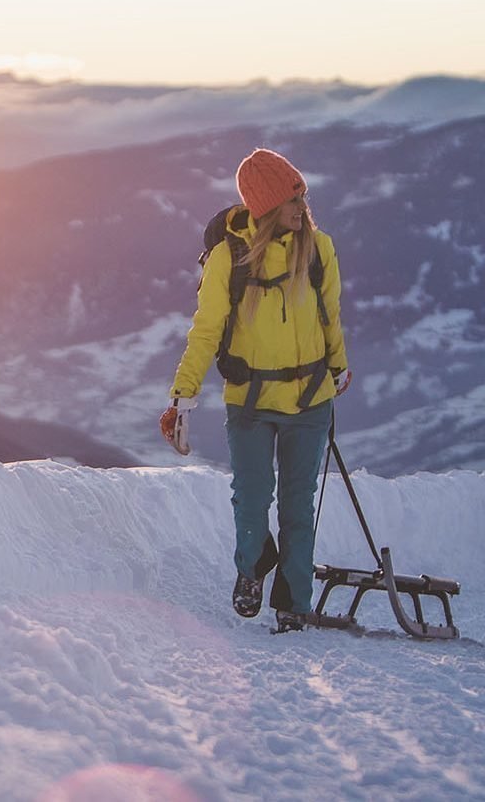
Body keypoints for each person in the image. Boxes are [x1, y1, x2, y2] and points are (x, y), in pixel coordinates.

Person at [161, 148, 350, 634]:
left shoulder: (319, 248)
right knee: (251, 498)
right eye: (293, 198)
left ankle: (295, 602)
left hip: (310, 399)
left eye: (303, 195)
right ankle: (252, 567)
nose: (302, 206)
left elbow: (330, 315)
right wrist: (183, 396)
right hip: (248, 401)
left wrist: (339, 367)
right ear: (266, 205)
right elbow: (205, 330)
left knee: (296, 503)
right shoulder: (229, 258)